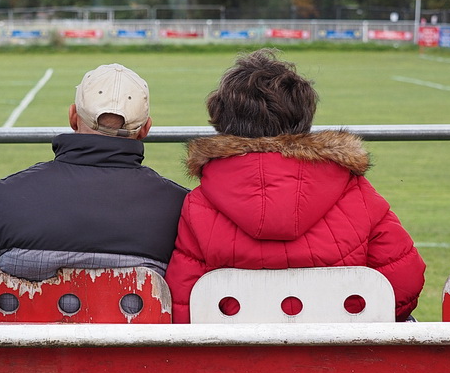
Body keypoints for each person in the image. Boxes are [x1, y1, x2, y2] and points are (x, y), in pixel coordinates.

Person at [164, 48, 426, 323]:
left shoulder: (199, 204)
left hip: (239, 360)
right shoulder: (359, 194)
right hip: (340, 358)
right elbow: (404, 286)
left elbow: (184, 305)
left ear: (222, 120)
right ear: (303, 118)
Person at [0, 63, 189, 320]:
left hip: (22, 360)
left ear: (72, 117)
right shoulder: (181, 208)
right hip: (138, 361)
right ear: (146, 129)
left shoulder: (1, 200)